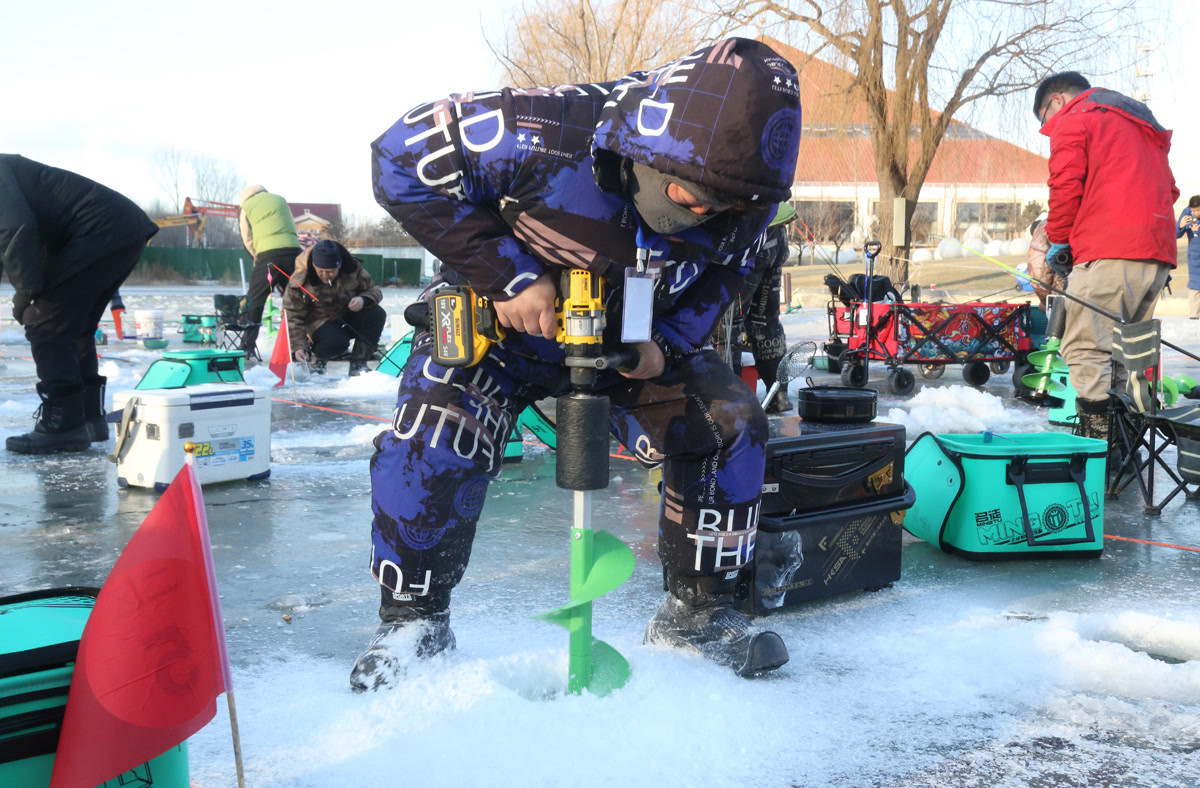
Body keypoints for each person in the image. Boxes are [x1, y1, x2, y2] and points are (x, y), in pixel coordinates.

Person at [354, 37, 802, 691]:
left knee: (730, 423)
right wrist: (510, 278)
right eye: (694, 198)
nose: (708, 216)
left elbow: (732, 269)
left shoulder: (748, 202)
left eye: (730, 205)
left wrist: (666, 341)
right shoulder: (541, 131)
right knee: (433, 431)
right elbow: (397, 160)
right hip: (497, 334)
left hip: (623, 345)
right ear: (652, 152)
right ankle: (413, 622)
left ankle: (697, 617)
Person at [1033, 71, 1178, 441]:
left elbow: (1065, 187)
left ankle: (1100, 450)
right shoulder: (1139, 123)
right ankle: (1127, 449)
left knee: (1086, 349)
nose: (1051, 130)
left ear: (1057, 99)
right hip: (1156, 253)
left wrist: (1058, 240)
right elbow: (1170, 189)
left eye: (1046, 121)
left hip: (1109, 251)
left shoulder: (1076, 118)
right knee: (1127, 356)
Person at [0, 155, 158, 454]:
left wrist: (28, 293)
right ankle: (88, 418)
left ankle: (63, 426)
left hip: (100, 228)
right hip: (119, 228)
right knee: (75, 324)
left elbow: (15, 229)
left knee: (43, 320)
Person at [714, 202, 796, 413]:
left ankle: (729, 400)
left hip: (745, 235)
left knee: (726, 325)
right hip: (775, 230)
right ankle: (779, 394)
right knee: (766, 320)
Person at [283, 239, 386, 375]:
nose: (325, 275)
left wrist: (363, 299)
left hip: (348, 314)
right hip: (318, 323)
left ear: (339, 265)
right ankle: (318, 359)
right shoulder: (300, 280)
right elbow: (291, 315)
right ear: (313, 265)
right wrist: (298, 346)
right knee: (336, 342)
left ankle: (359, 363)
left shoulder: (352, 268)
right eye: (321, 271)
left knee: (376, 314)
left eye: (330, 271)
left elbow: (374, 289)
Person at [238, 184, 301, 357]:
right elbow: (292, 225)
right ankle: (301, 347)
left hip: (268, 255)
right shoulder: (280, 199)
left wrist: (257, 258)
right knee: (297, 299)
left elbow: (247, 238)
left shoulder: (246, 207)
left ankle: (247, 346)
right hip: (294, 252)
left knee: (254, 301)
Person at [1177, 195, 1200, 320]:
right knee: (1195, 284)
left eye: (1198, 210)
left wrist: (1198, 231)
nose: (1196, 213)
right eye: (1194, 210)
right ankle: (1194, 315)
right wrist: (1180, 226)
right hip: (1195, 255)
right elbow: (1175, 234)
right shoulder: (1187, 213)